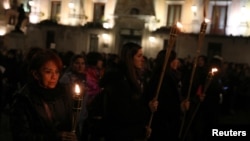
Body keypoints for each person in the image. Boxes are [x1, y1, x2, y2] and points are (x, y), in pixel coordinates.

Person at [9, 49, 78, 141]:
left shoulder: (63, 93)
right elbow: (21, 136)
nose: (54, 77)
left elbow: (70, 123)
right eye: (48, 72)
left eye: (57, 72)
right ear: (36, 74)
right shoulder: (24, 99)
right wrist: (53, 137)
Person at [89, 42, 151, 141]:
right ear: (130, 58)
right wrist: (148, 109)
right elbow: (123, 114)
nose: (143, 59)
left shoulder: (134, 77)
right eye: (139, 56)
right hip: (120, 134)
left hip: (129, 132)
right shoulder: (119, 80)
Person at [146, 49, 189, 141]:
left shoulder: (172, 76)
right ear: (168, 62)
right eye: (174, 59)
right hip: (164, 123)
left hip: (168, 122)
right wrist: (179, 107)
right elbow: (167, 102)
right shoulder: (163, 78)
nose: (177, 61)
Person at [59, 54, 87, 140]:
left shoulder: (83, 77)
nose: (80, 66)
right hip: (70, 117)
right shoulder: (66, 79)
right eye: (77, 63)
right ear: (72, 64)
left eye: (82, 63)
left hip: (81, 116)